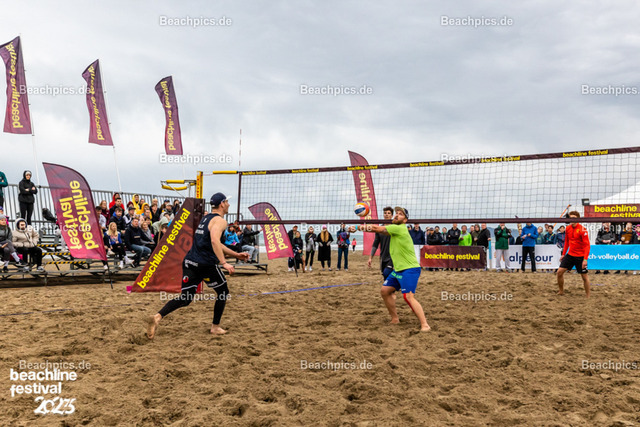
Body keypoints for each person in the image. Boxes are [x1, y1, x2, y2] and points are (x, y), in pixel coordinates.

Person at [147, 192, 249, 338]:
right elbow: (214, 241)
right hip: (205, 264)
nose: (228, 204)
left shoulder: (205, 219)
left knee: (186, 298)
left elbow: (216, 243)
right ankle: (215, 327)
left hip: (190, 261)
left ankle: (157, 317)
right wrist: (224, 263)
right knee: (223, 292)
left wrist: (237, 255)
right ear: (222, 204)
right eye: (227, 202)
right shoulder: (220, 221)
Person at [358, 207, 430, 332]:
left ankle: (425, 325)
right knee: (385, 291)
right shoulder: (394, 230)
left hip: (410, 269)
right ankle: (395, 319)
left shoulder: (400, 228)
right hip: (398, 270)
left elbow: (376, 228)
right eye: (396, 213)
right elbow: (381, 232)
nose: (396, 215)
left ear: (405, 220)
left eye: (400, 214)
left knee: (408, 297)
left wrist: (359, 227)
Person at [557, 211, 591, 298]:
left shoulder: (582, 229)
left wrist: (585, 259)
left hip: (580, 256)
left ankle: (588, 295)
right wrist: (563, 254)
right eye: (570, 218)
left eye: (574, 218)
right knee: (559, 272)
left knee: (584, 277)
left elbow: (587, 245)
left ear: (578, 219)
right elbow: (567, 242)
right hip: (570, 255)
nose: (572, 219)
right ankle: (561, 291)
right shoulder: (568, 228)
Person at [368, 206, 394, 279]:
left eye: (388, 213)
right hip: (383, 256)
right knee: (385, 276)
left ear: (392, 216)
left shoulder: (395, 228)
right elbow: (375, 244)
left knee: (387, 272)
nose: (386, 214)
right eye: (385, 213)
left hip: (393, 256)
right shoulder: (379, 229)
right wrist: (370, 258)